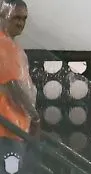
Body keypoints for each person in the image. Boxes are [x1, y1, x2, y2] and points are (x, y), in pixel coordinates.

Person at [0, 0, 38, 153]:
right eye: (16, 17)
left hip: (11, 129)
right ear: (3, 16)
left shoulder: (9, 45)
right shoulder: (5, 47)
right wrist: (35, 117)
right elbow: (14, 86)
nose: (21, 23)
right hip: (8, 129)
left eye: (24, 18)